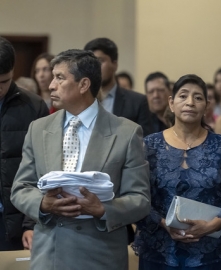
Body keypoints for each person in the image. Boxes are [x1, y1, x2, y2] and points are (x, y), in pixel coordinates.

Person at [11, 49, 151, 270]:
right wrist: (42, 204)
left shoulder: (126, 132)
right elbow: (20, 188)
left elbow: (140, 199)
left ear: (84, 85)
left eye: (59, 77)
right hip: (49, 255)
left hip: (99, 256)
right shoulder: (38, 129)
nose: (50, 85)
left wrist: (104, 209)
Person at [134, 74, 221, 270]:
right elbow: (138, 197)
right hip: (159, 249)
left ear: (206, 106)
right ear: (171, 103)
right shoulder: (150, 145)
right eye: (183, 96)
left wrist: (211, 226)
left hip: (209, 252)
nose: (190, 102)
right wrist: (163, 223)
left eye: (198, 97)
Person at [0, 36, 49, 250]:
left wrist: (32, 222)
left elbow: (43, 168)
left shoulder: (33, 107)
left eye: (3, 82)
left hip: (15, 220)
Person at [84, 38, 152, 136]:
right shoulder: (80, 100)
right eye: (90, 62)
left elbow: (144, 141)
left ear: (114, 64)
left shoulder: (137, 102)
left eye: (100, 61)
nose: (95, 67)